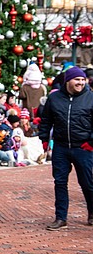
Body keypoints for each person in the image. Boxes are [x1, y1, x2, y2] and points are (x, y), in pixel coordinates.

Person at [38, 66, 93, 231]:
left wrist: (91, 143)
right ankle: (61, 218)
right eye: (77, 79)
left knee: (88, 183)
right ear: (68, 80)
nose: (81, 83)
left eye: (83, 80)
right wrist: (44, 141)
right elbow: (46, 120)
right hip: (61, 147)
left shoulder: (90, 98)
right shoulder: (54, 99)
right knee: (60, 182)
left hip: (83, 147)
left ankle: (92, 213)